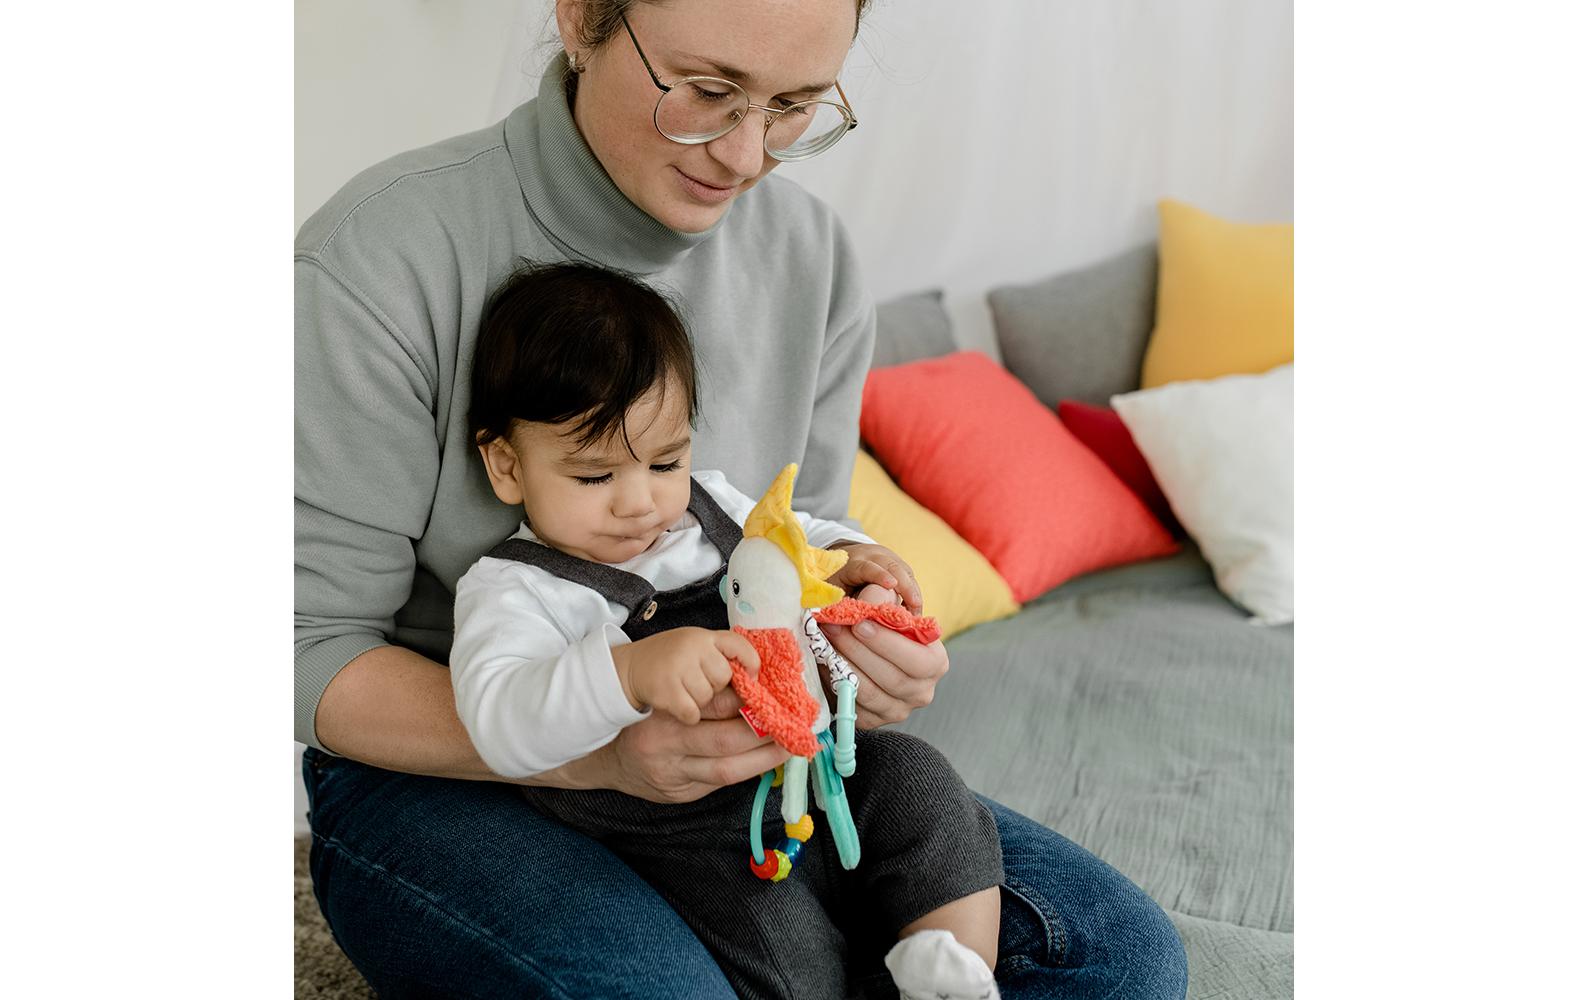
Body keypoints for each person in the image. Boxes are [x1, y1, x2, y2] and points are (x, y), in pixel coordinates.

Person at [295, 0, 1189, 996]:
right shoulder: (378, 257)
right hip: (442, 768)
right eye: (709, 93)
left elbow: (797, 554)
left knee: (1118, 955)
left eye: (797, 104)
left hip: (740, 767)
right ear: (584, 20)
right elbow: (304, 647)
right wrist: (600, 750)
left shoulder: (811, 259)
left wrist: (861, 640)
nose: (746, 153)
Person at [453, 259, 1004, 1000]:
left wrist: (851, 559)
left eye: (665, 460)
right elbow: (499, 719)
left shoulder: (709, 507)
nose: (640, 502)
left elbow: (794, 539)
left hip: (802, 772)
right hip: (675, 830)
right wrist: (629, 673)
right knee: (784, 949)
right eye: (594, 477)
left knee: (921, 783)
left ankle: (956, 970)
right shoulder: (516, 588)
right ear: (506, 465)